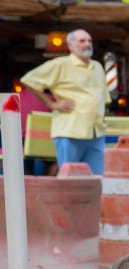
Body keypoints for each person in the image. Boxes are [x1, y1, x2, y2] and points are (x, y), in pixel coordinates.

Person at [18, 29, 108, 174]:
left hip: (96, 132)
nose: (87, 44)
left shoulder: (97, 66)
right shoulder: (61, 64)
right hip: (70, 130)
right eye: (82, 41)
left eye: (89, 40)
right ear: (70, 46)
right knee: (70, 178)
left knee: (97, 179)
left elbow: (102, 98)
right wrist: (51, 104)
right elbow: (28, 80)